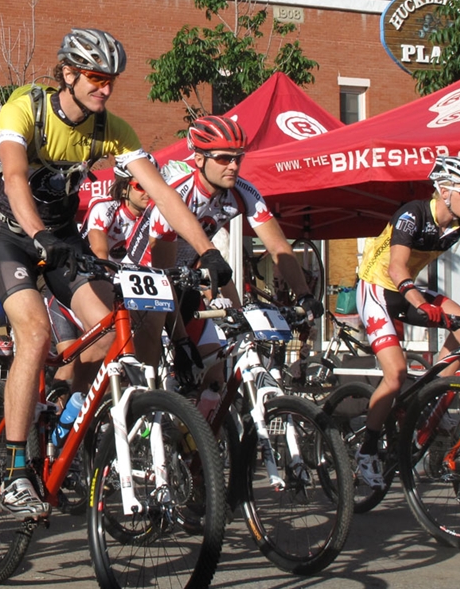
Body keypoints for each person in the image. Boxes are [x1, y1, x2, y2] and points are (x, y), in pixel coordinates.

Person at [0, 28, 232, 518]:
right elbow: (13, 177)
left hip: (59, 234)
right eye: (96, 78)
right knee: (32, 336)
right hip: (9, 230)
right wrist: (39, 238)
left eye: (112, 80)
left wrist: (206, 250)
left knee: (103, 335)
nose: (105, 89)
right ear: (69, 74)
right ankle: (13, 472)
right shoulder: (24, 109)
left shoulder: (111, 127)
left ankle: (63, 422)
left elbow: (160, 191)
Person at [125, 116, 323, 396]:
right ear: (198, 159)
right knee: (156, 329)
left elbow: (278, 246)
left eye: (238, 158)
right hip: (148, 277)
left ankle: (203, 437)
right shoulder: (177, 195)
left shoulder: (243, 192)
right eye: (223, 158)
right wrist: (180, 340)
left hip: (185, 277)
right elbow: (163, 276)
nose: (233, 166)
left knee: (216, 369)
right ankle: (141, 402)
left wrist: (303, 295)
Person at [352, 155, 460, 487]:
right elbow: (397, 268)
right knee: (395, 374)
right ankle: (366, 450)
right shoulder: (413, 213)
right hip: (377, 288)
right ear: (444, 190)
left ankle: (432, 404)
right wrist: (420, 302)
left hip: (406, 291)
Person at [83, 164, 152, 261]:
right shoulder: (103, 208)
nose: (149, 192)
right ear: (123, 188)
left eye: (151, 186)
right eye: (140, 186)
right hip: (87, 269)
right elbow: (99, 253)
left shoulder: (154, 212)